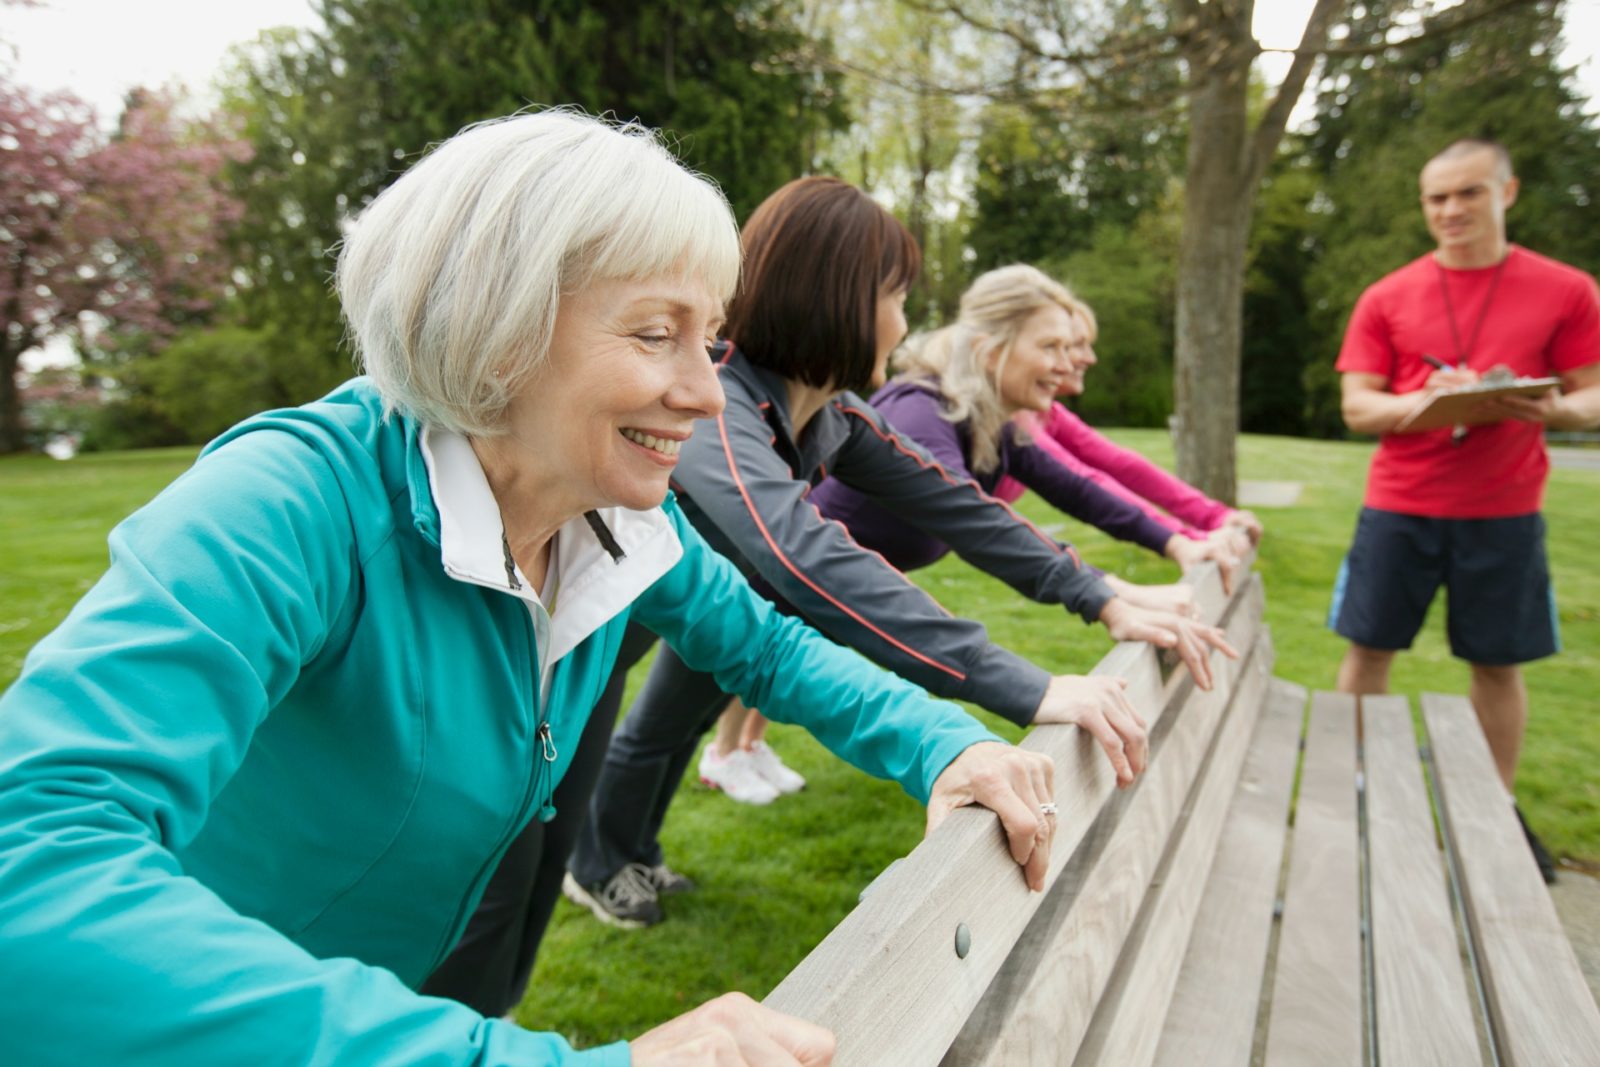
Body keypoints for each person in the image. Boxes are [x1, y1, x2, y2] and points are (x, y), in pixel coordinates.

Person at [0, 111, 1067, 1066]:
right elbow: (29, 879)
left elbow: (766, 647)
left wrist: (945, 742)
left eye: (709, 336)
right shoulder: (284, 501)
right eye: (656, 333)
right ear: (497, 329)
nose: (703, 390)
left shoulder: (613, 517)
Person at [562, 176, 1234, 931]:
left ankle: (625, 853)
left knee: (669, 728)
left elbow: (961, 507)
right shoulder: (722, 401)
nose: (905, 323)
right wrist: (1027, 686)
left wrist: (1103, 596)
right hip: (583, 632)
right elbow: (802, 552)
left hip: (711, 606)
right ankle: (596, 867)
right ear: (842, 297)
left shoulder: (836, 415)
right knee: (605, 756)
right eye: (898, 297)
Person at [1329, 137, 1600, 883]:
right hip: (1399, 504)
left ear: (1506, 193)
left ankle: (1494, 807)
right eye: (1436, 198)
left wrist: (1546, 404)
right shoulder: (1388, 294)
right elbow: (1357, 405)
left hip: (1506, 509)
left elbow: (1591, 390)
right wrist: (1428, 401)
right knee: (1369, 649)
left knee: (1498, 663)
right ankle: (1351, 788)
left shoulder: (1568, 289)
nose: (1451, 210)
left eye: (1468, 193)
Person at [808, 264, 1253, 588]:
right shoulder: (923, 417)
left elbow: (1079, 489)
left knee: (748, 717)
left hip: (812, 613)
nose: (1067, 366)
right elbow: (982, 528)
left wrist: (1180, 543)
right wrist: (1112, 594)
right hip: (772, 608)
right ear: (991, 350)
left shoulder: (989, 423)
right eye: (1051, 347)